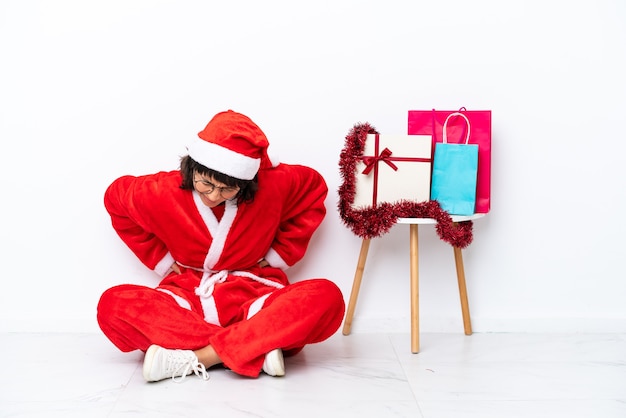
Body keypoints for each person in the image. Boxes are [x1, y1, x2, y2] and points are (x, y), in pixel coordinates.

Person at [97, 110, 345, 382]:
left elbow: (313, 189)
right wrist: (163, 260)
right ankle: (255, 349)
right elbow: (115, 199)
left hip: (254, 292)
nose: (214, 196)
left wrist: (278, 256)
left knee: (327, 297)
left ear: (245, 183)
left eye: (227, 190)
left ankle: (197, 358)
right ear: (192, 167)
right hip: (188, 295)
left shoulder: (273, 185)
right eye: (205, 184)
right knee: (112, 305)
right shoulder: (160, 191)